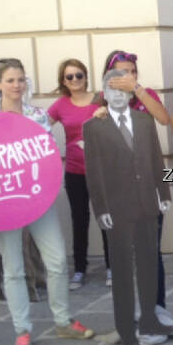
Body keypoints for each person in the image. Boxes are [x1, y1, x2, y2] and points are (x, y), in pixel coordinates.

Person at [0, 58, 94, 345]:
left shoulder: (37, 116)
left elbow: (46, 157)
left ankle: (62, 320)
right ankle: (22, 330)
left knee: (57, 260)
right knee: (14, 268)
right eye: (10, 80)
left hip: (36, 198)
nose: (17, 85)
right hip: (2, 202)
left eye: (21, 79)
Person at [84, 68, 173, 345]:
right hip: (117, 208)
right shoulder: (94, 127)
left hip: (146, 204)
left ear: (129, 93)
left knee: (149, 264)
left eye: (122, 90)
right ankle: (126, 327)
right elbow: (94, 172)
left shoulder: (143, 121)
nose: (117, 95)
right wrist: (101, 209)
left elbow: (154, 160)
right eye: (111, 90)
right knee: (123, 269)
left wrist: (163, 193)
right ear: (104, 94)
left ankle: (149, 318)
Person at [46, 59, 105, 291]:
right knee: (79, 220)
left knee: (105, 218)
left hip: (100, 169)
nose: (75, 80)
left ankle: (112, 267)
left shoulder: (100, 98)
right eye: (69, 77)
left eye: (79, 75)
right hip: (74, 171)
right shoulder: (60, 105)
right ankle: (80, 269)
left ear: (86, 76)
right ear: (63, 81)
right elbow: (40, 126)